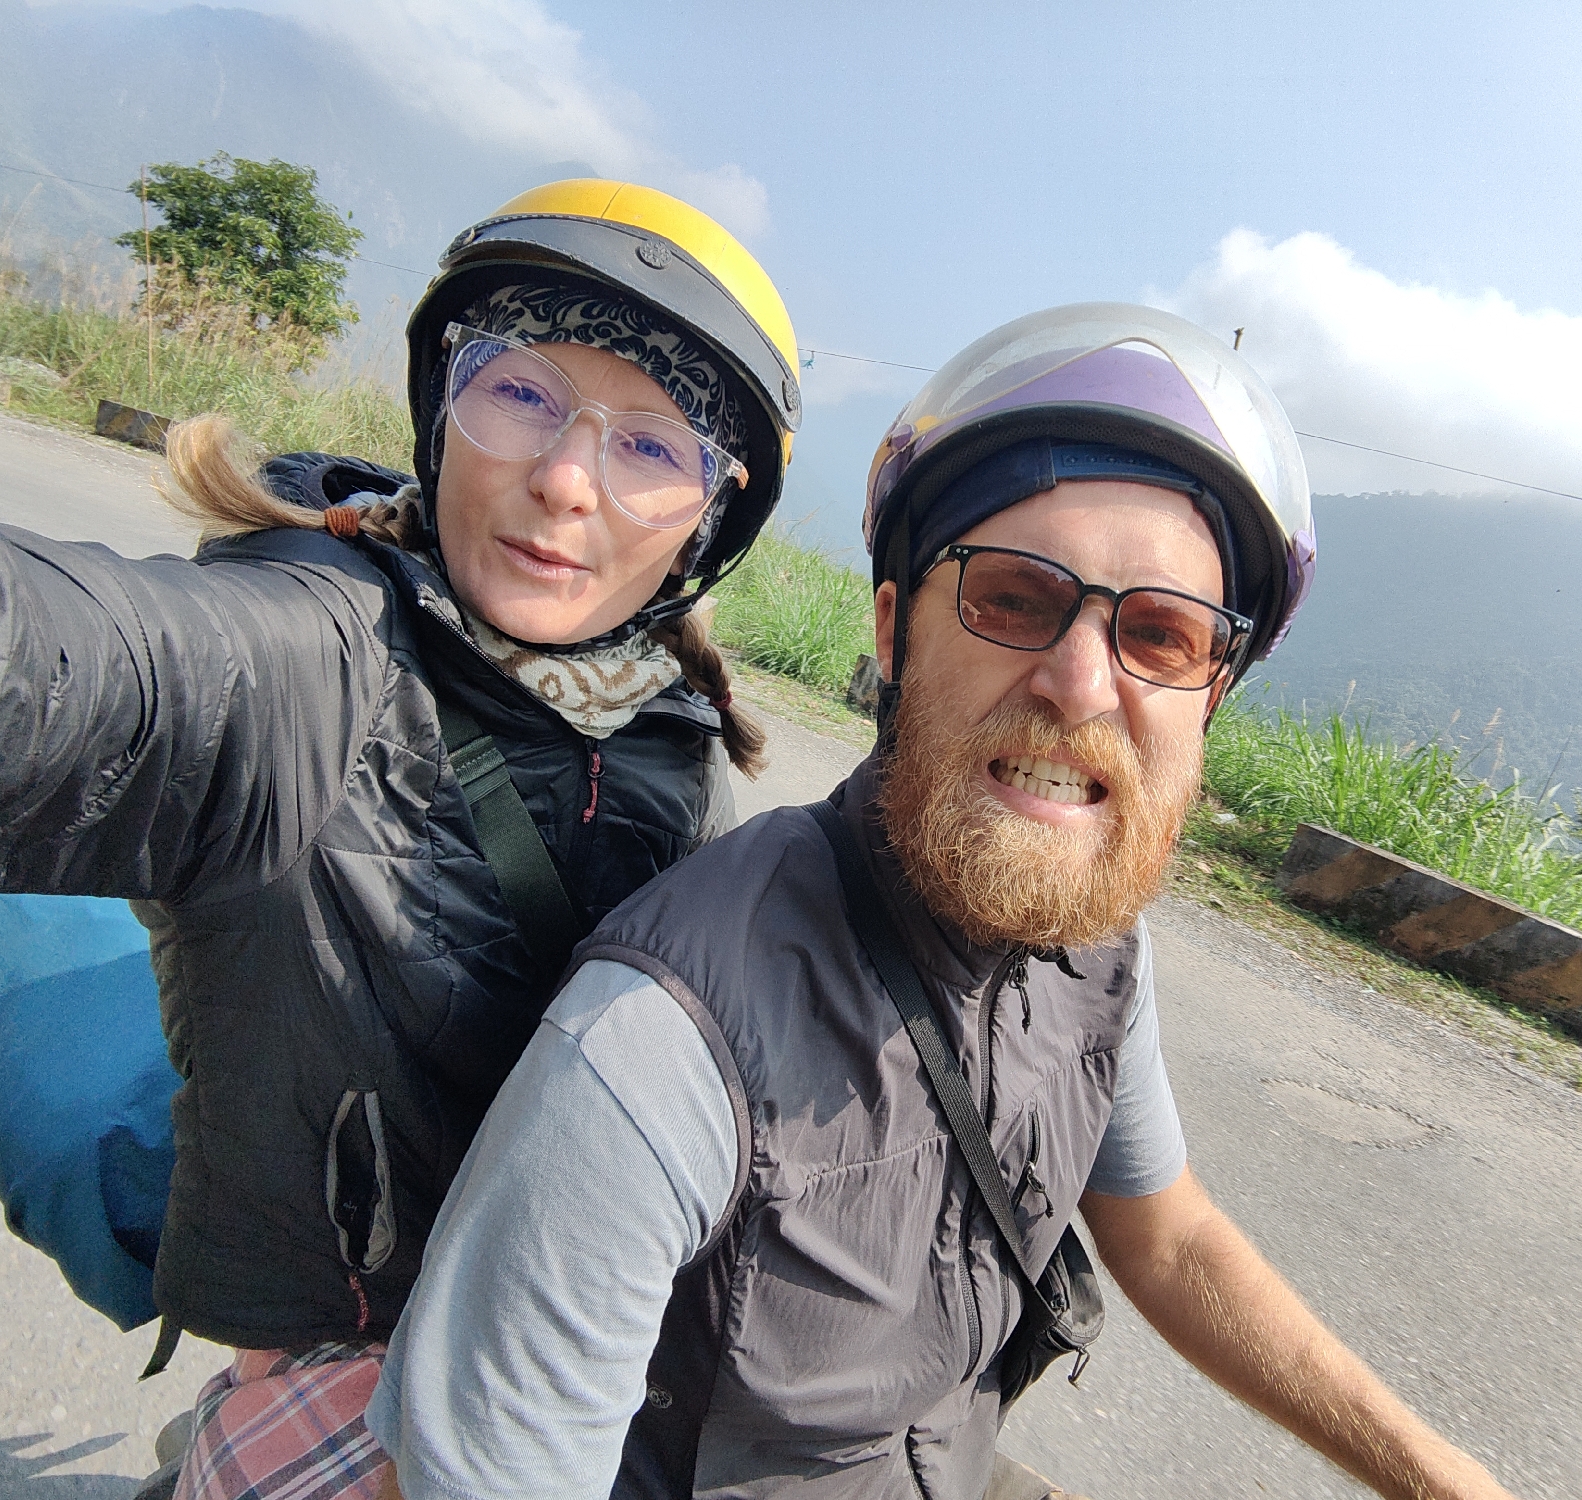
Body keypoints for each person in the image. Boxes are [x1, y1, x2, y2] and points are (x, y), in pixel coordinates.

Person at [363, 304, 1523, 1500]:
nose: (1080, 685)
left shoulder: (1096, 949)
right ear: (891, 631)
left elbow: (1168, 1238)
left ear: (1208, 702)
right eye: (1012, 599)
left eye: (1162, 637)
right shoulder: (655, 1048)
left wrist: (1438, 1476)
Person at [0, 178, 803, 1499]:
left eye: (652, 448)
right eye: (519, 390)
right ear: (441, 404)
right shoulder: (307, 660)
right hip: (338, 1336)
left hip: (541, 1311)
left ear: (708, 518)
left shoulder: (672, 734)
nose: (564, 479)